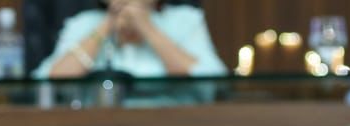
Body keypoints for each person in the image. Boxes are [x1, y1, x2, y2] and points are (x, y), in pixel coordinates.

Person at [34, 0, 227, 80]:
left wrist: (146, 27)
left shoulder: (185, 20)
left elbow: (213, 79)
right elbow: (46, 81)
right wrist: (106, 25)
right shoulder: (83, 23)